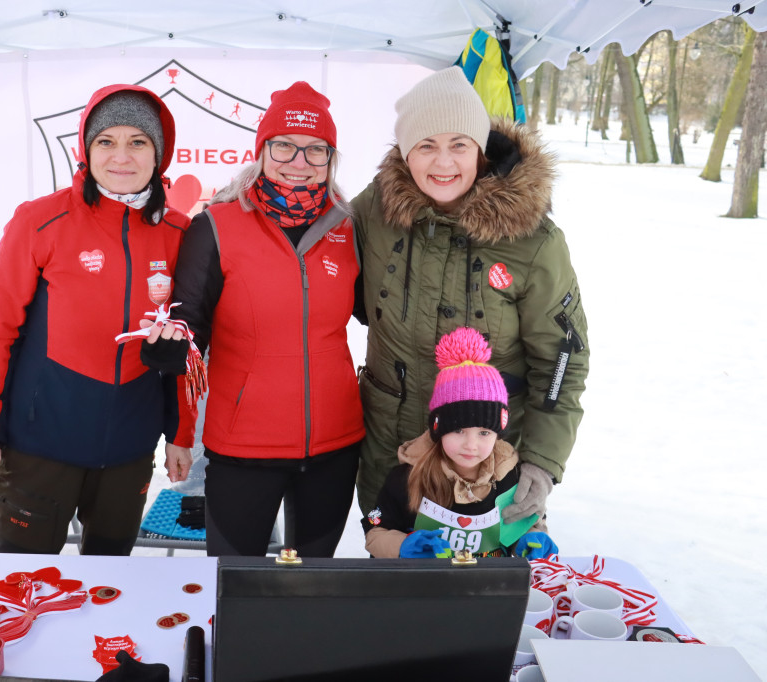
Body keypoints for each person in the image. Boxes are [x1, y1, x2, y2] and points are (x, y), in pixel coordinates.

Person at [0, 84, 195, 556]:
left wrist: (181, 435)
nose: (121, 156)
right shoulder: (39, 220)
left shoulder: (178, 232)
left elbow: (184, 346)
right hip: (40, 445)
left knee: (110, 580)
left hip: (130, 449)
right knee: (21, 581)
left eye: (138, 141)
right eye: (106, 141)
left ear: (159, 153)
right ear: (86, 150)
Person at [352, 67, 589, 529]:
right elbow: (306, 241)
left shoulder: (533, 240)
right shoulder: (375, 210)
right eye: (426, 145)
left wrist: (540, 462)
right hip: (394, 459)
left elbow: (563, 360)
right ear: (404, 152)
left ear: (481, 149)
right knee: (390, 587)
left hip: (491, 471)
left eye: (459, 144)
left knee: (483, 595)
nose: (443, 163)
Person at [148, 81, 364, 557]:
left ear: (332, 159)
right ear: (262, 150)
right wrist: (180, 432)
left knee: (311, 586)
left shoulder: (349, 227)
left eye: (315, 151)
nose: (299, 162)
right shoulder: (216, 226)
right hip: (243, 447)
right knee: (235, 586)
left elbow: (379, 311)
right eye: (284, 146)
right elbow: (189, 336)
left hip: (334, 442)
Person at [362, 327, 557, 559]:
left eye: (484, 433)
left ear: (498, 433)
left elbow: (529, 523)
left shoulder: (511, 477)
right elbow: (375, 530)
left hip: (490, 588)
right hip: (426, 589)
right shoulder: (407, 478)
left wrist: (532, 538)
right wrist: (402, 545)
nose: (471, 445)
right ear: (438, 429)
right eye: (458, 430)